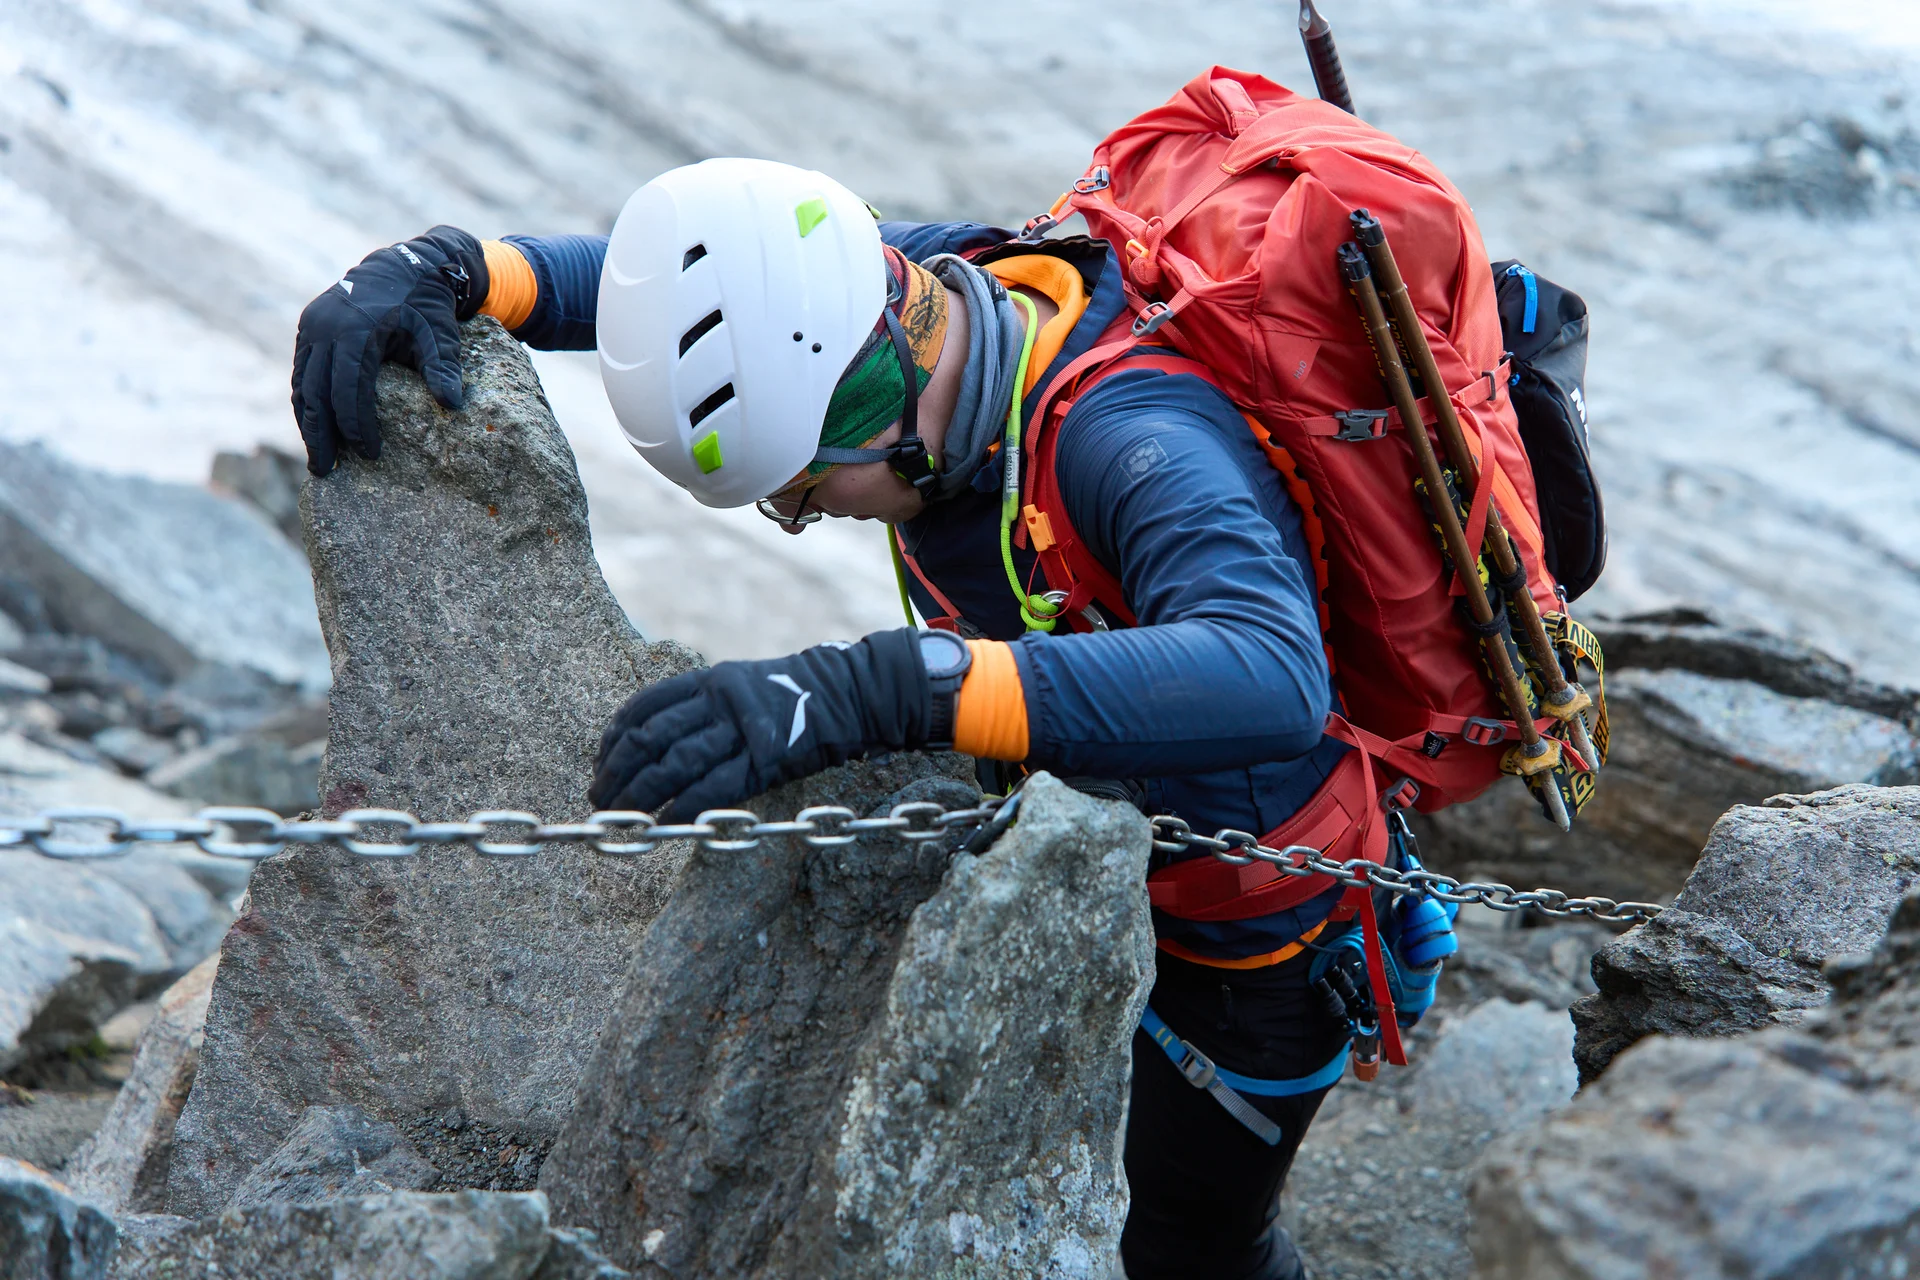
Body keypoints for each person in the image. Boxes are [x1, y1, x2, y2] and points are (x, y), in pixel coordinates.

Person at [291, 155, 1460, 1280]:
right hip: (1095, 858)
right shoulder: (921, 298)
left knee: (1187, 1253)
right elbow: (696, 287)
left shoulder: (1131, 439)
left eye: (803, 486)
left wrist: (880, 688)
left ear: (867, 405)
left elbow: (1266, 673)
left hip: (1256, 935)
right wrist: (461, 269)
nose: (803, 516)